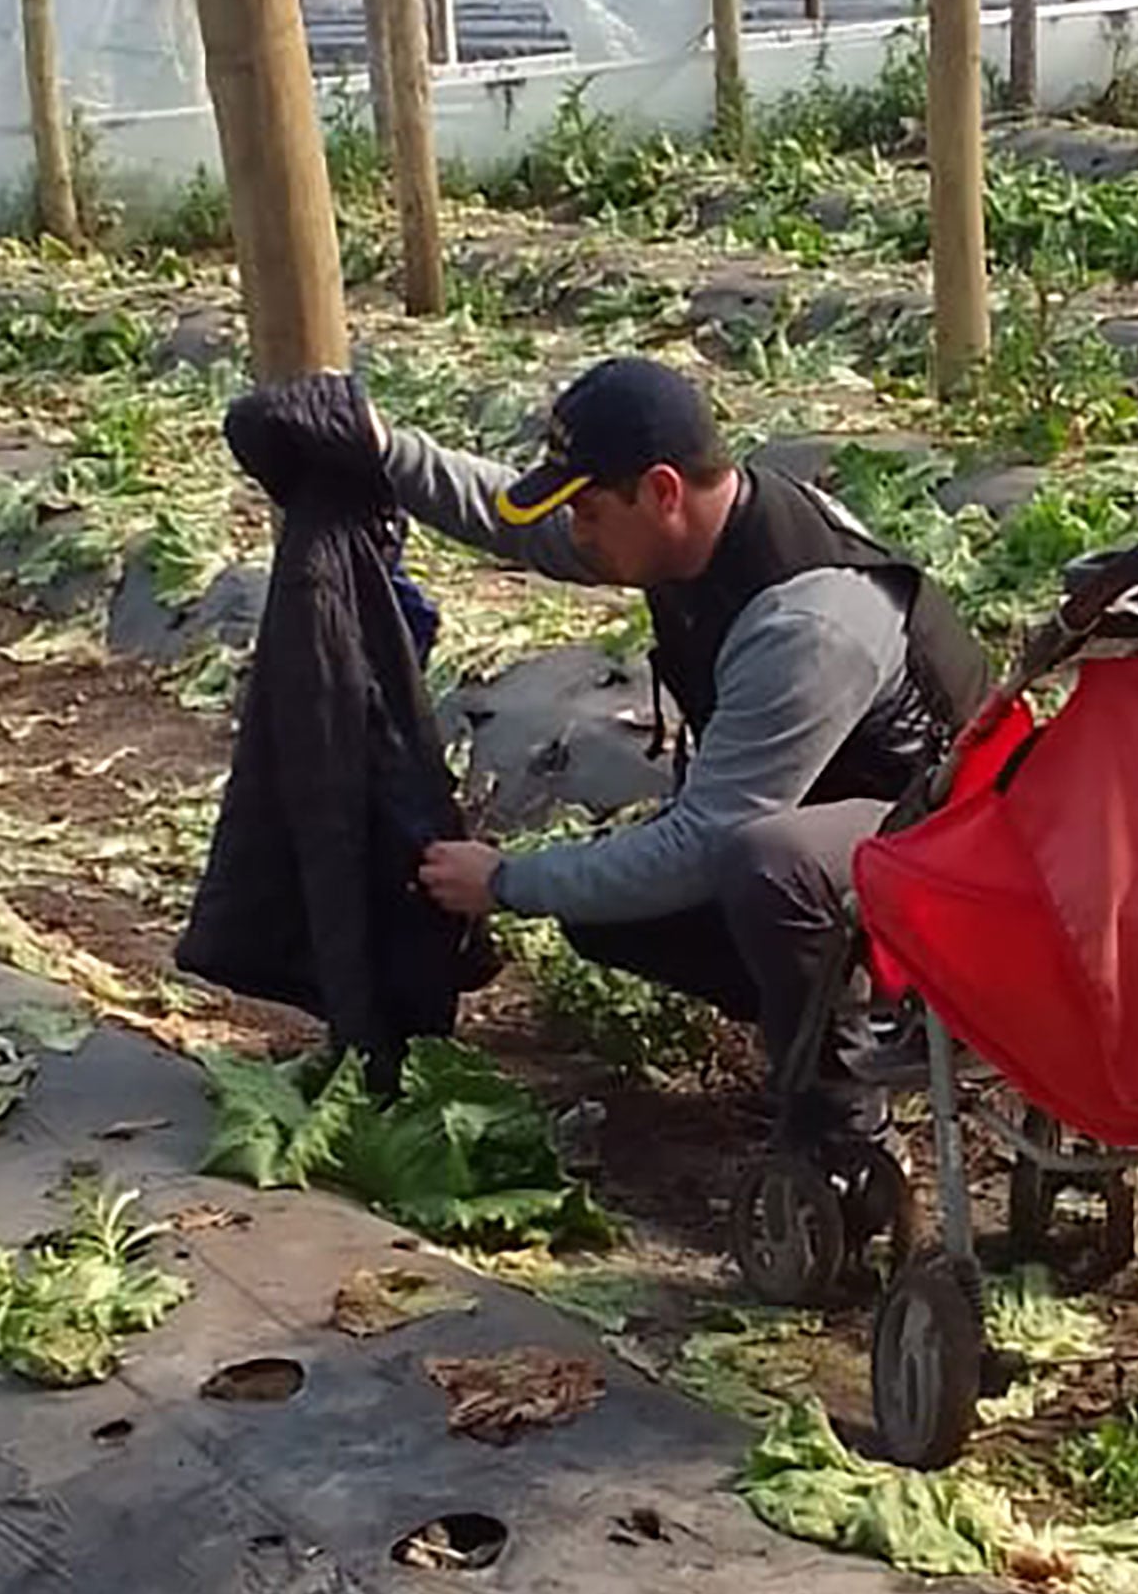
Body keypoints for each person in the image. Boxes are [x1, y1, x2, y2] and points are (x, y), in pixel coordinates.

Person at [364, 354, 994, 1142]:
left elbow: (707, 841)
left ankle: (842, 1124)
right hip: (853, 827)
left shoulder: (805, 623)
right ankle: (830, 1005)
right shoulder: (692, 529)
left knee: (762, 862)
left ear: (661, 490)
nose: (579, 534)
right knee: (608, 910)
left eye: (590, 511)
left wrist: (511, 880)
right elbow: (517, 523)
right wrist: (382, 447)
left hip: (954, 857)